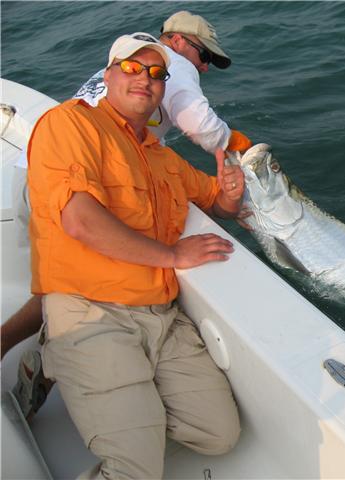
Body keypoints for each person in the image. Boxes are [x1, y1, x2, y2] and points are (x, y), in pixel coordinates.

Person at [2, 11, 251, 417]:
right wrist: (236, 143)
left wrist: (223, 195)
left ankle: (38, 350)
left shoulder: (130, 76)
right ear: (178, 41)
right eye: (205, 55)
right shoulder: (172, 67)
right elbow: (201, 124)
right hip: (77, 172)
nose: (204, 67)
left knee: (64, 275)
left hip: (37, 171)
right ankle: (54, 355)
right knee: (76, 270)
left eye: (207, 63)